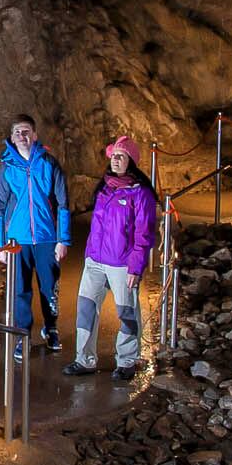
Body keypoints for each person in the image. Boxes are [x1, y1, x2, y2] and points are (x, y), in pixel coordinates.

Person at [69, 134, 159, 377]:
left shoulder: (140, 194)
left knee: (126, 313)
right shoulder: (105, 188)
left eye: (121, 156)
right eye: (114, 156)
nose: (116, 160)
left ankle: (127, 362)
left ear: (131, 160)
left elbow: (144, 232)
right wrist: (89, 254)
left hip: (122, 263)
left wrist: (135, 267)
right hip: (95, 260)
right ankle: (84, 360)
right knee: (86, 309)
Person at [0, 114, 66, 351]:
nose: (22, 137)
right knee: (20, 290)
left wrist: (63, 239)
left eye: (25, 132)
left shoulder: (49, 164)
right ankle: (22, 334)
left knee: (49, 287)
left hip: (46, 237)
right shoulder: (7, 169)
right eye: (17, 133)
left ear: (34, 135)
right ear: (11, 138)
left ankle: (51, 327)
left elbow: (63, 203)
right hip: (17, 240)